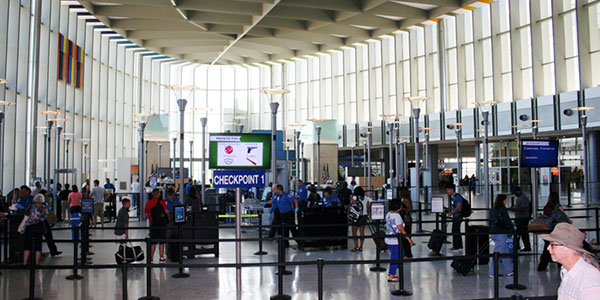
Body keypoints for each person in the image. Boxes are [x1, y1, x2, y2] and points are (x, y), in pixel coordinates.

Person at [540, 223, 600, 299]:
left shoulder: (590, 281)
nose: (548, 248)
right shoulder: (566, 271)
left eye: (552, 245)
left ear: (569, 248)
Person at [539, 192, 571, 271]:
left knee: (547, 248)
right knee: (559, 246)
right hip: (557, 229)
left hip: (548, 229)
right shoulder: (557, 207)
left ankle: (542, 266)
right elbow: (563, 217)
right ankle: (560, 264)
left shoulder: (547, 207)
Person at [385, 199, 414, 282]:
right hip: (395, 240)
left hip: (389, 239)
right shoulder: (397, 216)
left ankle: (392, 270)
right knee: (396, 257)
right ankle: (391, 275)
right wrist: (409, 239)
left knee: (400, 254)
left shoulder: (388, 214)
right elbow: (401, 229)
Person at [489, 194, 514, 278]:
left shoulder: (493, 210)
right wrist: (512, 229)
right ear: (503, 201)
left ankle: (509, 270)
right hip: (500, 233)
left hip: (493, 232)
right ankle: (493, 272)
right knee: (498, 253)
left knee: (505, 251)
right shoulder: (502, 210)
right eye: (505, 200)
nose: (506, 202)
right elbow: (507, 221)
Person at [144, 188, 169, 263]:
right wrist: (168, 218)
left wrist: (151, 219)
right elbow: (166, 211)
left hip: (153, 224)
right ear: (159, 194)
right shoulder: (162, 202)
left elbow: (146, 215)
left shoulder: (148, 203)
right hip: (161, 225)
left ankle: (151, 258)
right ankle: (161, 257)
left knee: (153, 242)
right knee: (162, 242)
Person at [23, 194, 48, 265]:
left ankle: (25, 262)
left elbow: (26, 214)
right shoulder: (43, 208)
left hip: (29, 226)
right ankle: (36, 263)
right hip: (39, 226)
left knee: (27, 245)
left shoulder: (30, 206)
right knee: (38, 245)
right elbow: (45, 217)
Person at [510, 186, 532, 252]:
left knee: (523, 233)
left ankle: (527, 246)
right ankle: (517, 246)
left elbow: (524, 208)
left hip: (522, 218)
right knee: (519, 233)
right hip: (520, 218)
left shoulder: (523, 198)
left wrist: (515, 209)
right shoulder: (520, 198)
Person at [350, 186, 370, 252]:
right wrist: (366, 215)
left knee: (354, 232)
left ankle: (356, 246)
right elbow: (368, 209)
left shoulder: (355, 198)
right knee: (362, 232)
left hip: (356, 217)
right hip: (363, 216)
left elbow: (351, 206)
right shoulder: (366, 199)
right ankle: (361, 246)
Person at [446, 184, 463, 251]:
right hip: (456, 216)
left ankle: (456, 246)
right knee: (455, 230)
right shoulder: (454, 197)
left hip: (458, 216)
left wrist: (452, 213)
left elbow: (458, 207)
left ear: (452, 189)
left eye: (448, 190)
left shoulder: (457, 197)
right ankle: (458, 245)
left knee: (456, 230)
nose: (447, 191)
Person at [399, 187, 413, 258]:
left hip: (406, 220)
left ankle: (408, 253)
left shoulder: (406, 200)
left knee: (406, 237)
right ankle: (405, 252)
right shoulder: (403, 199)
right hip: (403, 219)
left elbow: (410, 209)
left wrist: (402, 208)